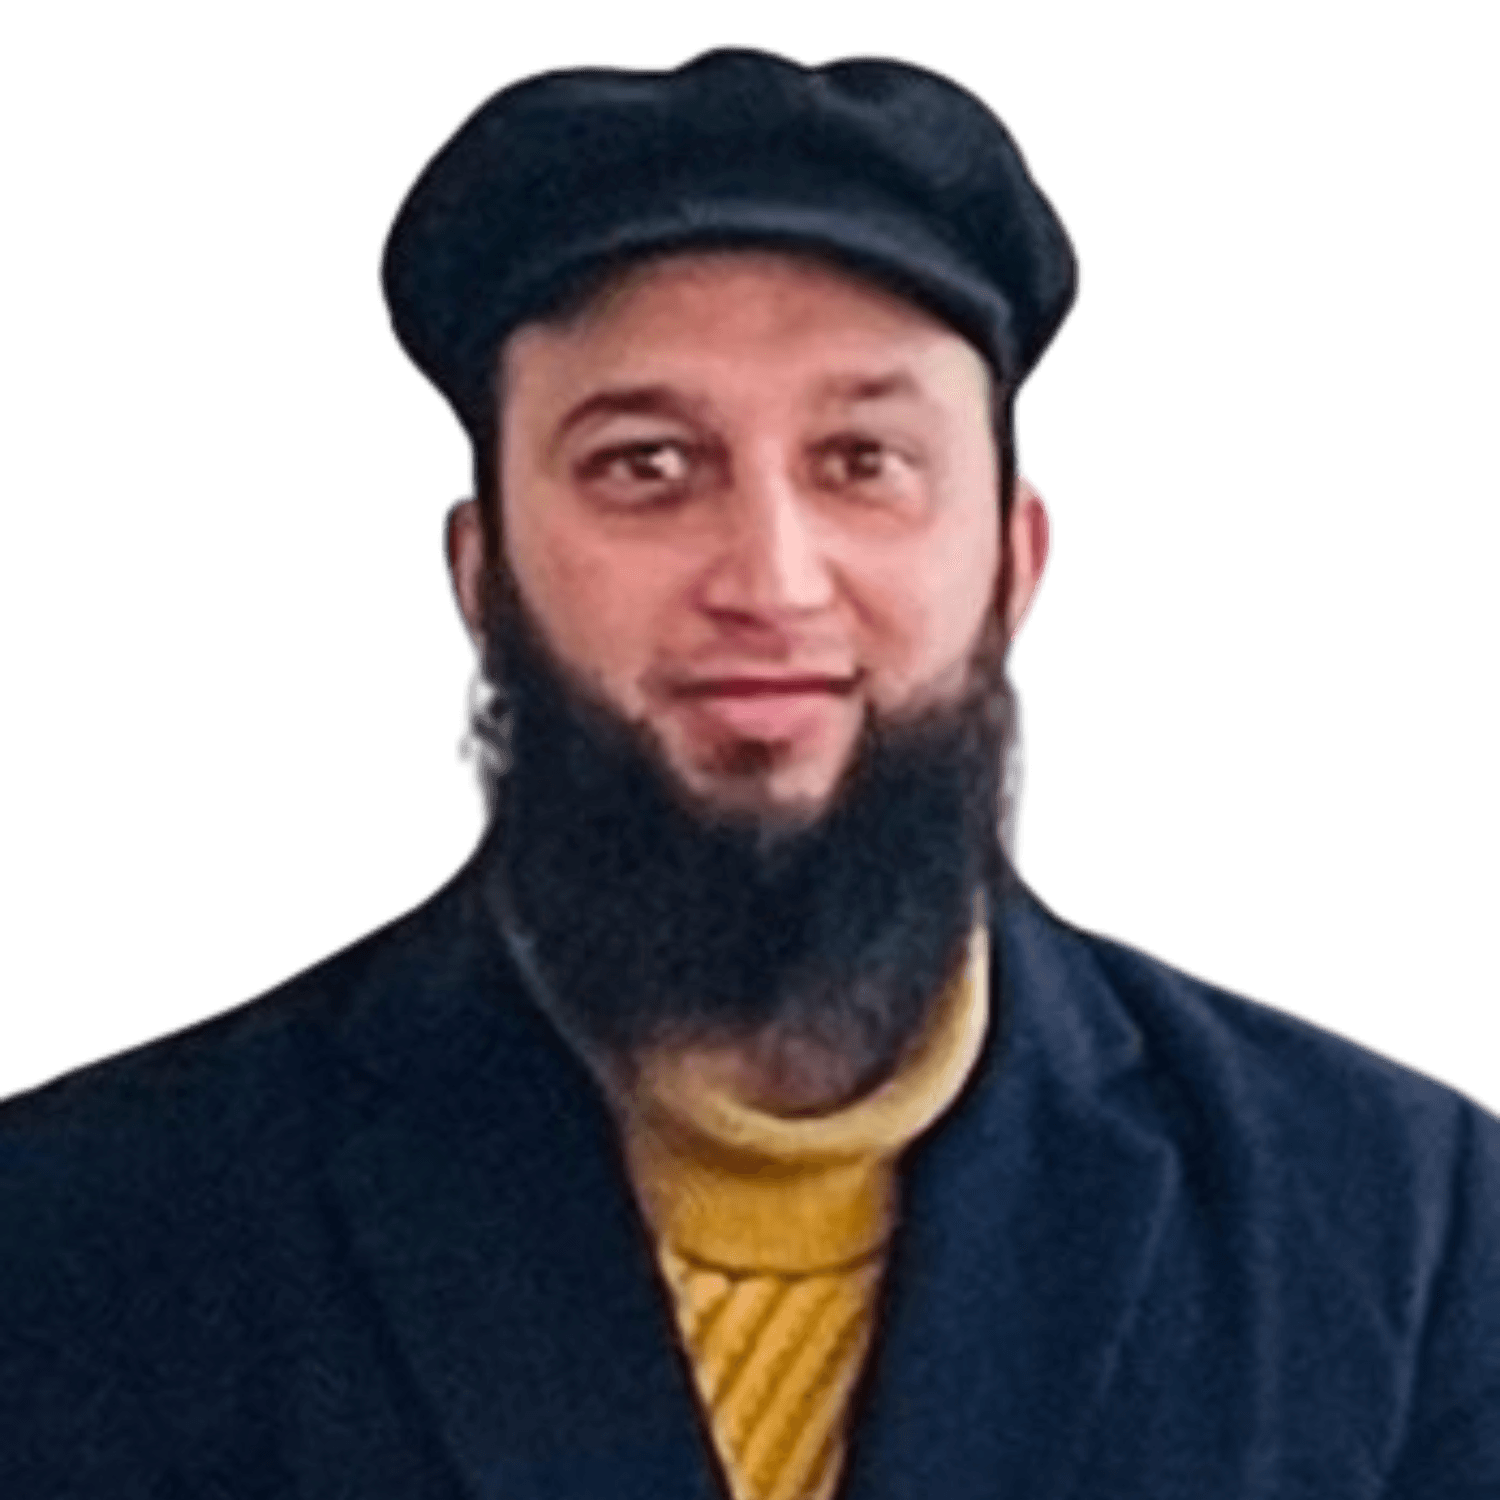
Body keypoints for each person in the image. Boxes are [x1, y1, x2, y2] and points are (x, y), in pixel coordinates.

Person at [2, 44, 1496, 1500]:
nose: (771, 580)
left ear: (1014, 559)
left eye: (862, 461)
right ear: (480, 572)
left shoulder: (1404, 1228)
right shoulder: (91, 1235)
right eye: (646, 465)